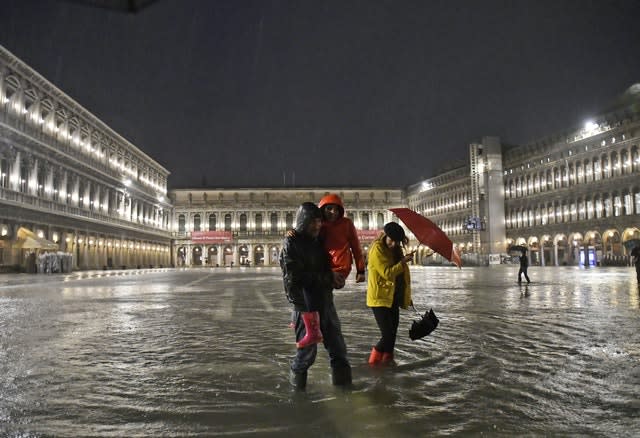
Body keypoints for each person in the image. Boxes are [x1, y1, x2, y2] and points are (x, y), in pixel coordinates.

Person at [280, 202, 352, 390]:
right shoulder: (291, 242)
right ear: (303, 221)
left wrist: (336, 277)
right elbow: (293, 279)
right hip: (306, 307)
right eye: (313, 222)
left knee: (339, 351)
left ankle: (345, 393)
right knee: (306, 356)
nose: (318, 225)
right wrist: (300, 309)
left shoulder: (319, 240)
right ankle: (297, 395)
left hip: (326, 303)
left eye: (319, 221)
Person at [286, 193, 365, 328]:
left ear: (341, 210)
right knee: (313, 290)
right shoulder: (320, 224)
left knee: (315, 290)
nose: (333, 212)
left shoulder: (346, 224)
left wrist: (361, 270)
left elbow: (356, 247)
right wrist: (293, 231)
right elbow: (306, 232)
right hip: (323, 265)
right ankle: (309, 322)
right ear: (322, 209)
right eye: (329, 208)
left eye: (336, 209)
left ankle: (307, 323)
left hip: (339, 267)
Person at [366, 222, 414, 366]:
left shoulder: (396, 250)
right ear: (385, 236)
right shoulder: (377, 249)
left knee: (392, 335)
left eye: (396, 241)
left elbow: (400, 277)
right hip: (379, 299)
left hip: (392, 297)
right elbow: (387, 273)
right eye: (391, 240)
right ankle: (373, 365)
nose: (393, 244)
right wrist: (403, 262)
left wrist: (406, 296)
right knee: (387, 335)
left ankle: (388, 364)